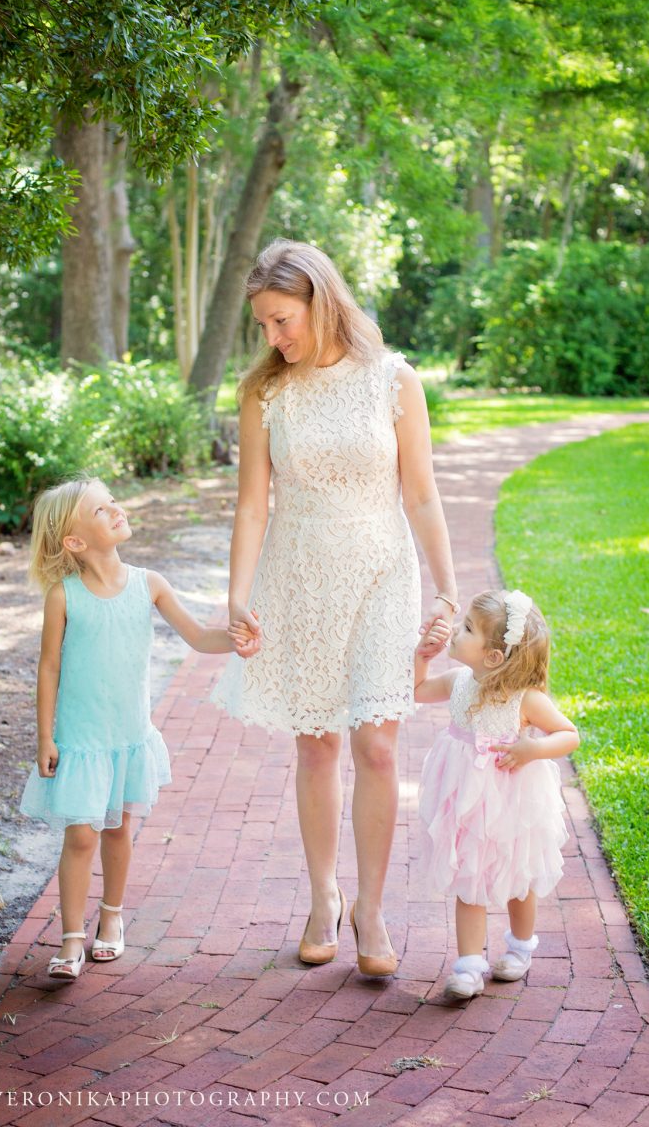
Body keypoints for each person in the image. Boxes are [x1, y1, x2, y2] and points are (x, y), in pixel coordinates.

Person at [212, 239, 456, 977]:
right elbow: (253, 506)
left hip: (383, 571)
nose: (273, 337)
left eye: (281, 320)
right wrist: (237, 594)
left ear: (321, 301)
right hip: (298, 576)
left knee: (377, 746)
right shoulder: (265, 393)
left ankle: (371, 908)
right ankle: (324, 896)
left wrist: (447, 588)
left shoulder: (392, 380)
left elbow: (420, 493)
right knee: (315, 743)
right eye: (262, 325)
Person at [20, 476, 246, 979]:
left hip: (126, 735)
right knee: (80, 836)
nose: (117, 509)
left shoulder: (150, 583)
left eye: (113, 502)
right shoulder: (64, 596)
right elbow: (49, 667)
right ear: (75, 541)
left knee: (119, 830)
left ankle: (113, 916)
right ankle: (71, 939)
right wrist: (45, 736)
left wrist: (238, 639)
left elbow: (199, 637)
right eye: (102, 509)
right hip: (80, 739)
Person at [414, 589, 580, 1000]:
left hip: (513, 799)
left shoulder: (526, 699)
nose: (456, 629)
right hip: (465, 796)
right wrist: (423, 656)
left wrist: (532, 749)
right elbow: (416, 691)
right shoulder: (458, 682)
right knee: (467, 873)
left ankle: (520, 947)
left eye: (467, 627)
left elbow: (569, 735)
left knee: (517, 876)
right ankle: (469, 965)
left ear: (492, 656)